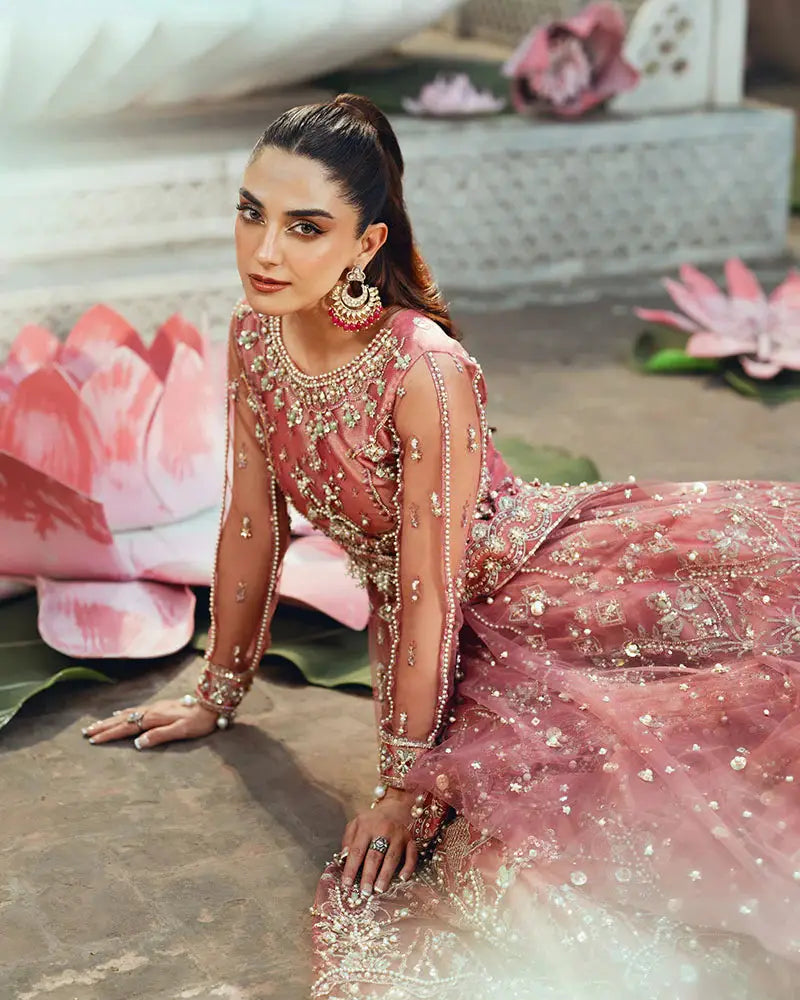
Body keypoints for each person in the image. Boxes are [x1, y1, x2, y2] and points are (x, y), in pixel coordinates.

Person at [81, 94, 800, 998]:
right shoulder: (255, 333)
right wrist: (215, 693)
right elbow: (251, 522)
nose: (264, 251)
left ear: (367, 244)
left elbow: (430, 589)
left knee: (616, 796)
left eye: (306, 227)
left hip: (513, 595)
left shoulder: (423, 368)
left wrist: (404, 787)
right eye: (251, 213)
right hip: (423, 624)